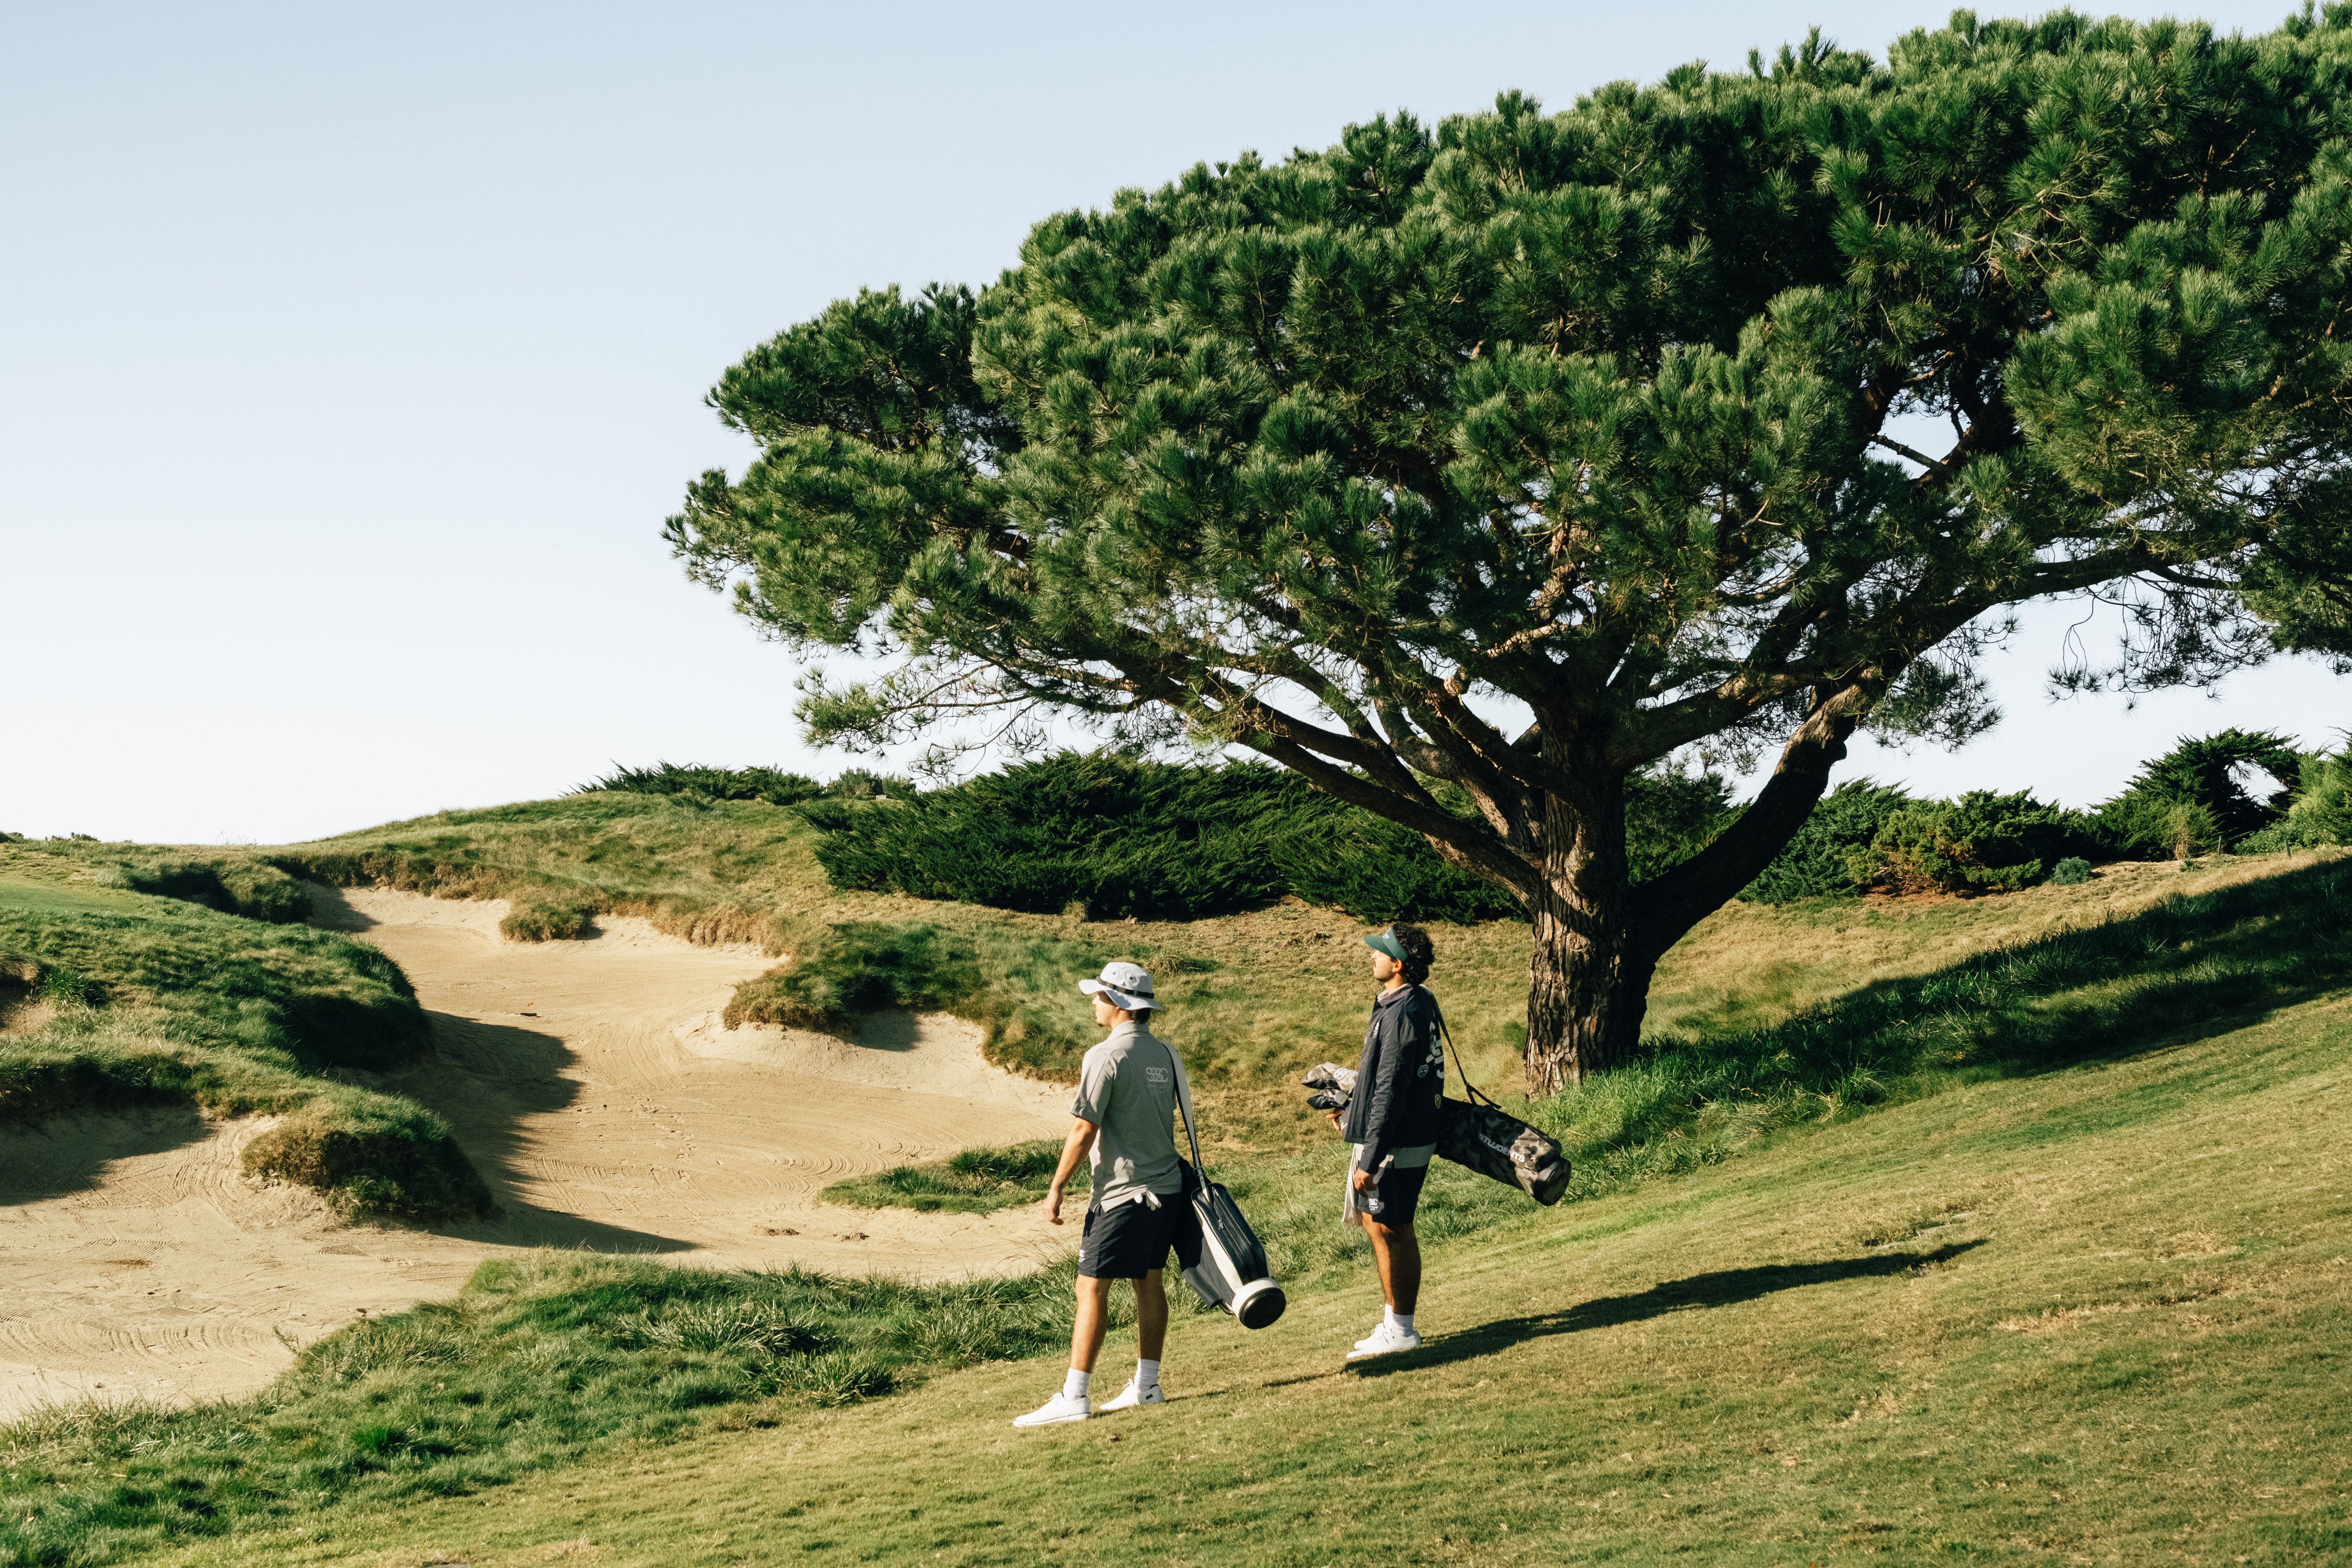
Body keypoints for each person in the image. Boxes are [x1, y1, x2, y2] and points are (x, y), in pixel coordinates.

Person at [1014, 959, 1200, 1427]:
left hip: (1124, 1192)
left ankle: (1075, 1396)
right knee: (1149, 1282)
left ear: (1118, 1002)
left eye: (1099, 996)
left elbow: (1083, 1129)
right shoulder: (1166, 1054)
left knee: (1090, 1287)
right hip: (1168, 1189)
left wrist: (1057, 1186)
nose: (1094, 1004)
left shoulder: (1105, 1056)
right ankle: (1148, 1387)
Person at [1333, 922, 1443, 1360]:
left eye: (1380, 952)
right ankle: (1395, 1324)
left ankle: (1401, 1329)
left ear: (1398, 965)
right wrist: (1351, 1113)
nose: (1372, 956)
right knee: (1383, 1226)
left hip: (1396, 1143)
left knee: (1391, 1229)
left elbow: (1391, 1089)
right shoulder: (1413, 1001)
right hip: (1402, 1135)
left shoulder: (1400, 1012)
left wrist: (1370, 1158)